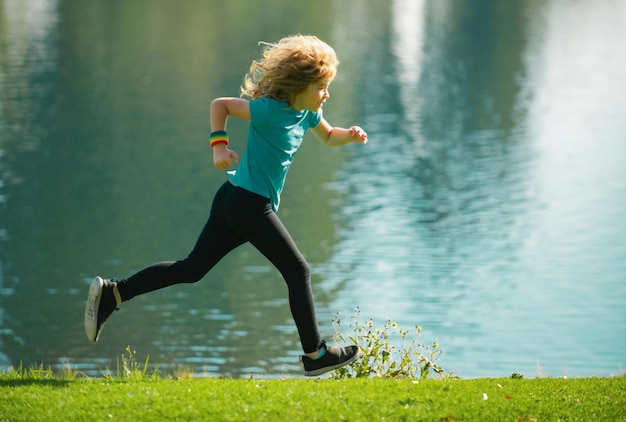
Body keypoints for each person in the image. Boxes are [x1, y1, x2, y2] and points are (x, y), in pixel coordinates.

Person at [84, 35, 368, 377]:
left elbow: (327, 135)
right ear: (300, 84)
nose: (326, 94)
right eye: (322, 87)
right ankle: (315, 353)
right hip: (248, 204)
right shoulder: (268, 110)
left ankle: (115, 293)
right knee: (298, 270)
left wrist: (348, 134)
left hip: (234, 198)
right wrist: (219, 146)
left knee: (191, 269)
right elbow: (220, 105)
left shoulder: (307, 114)